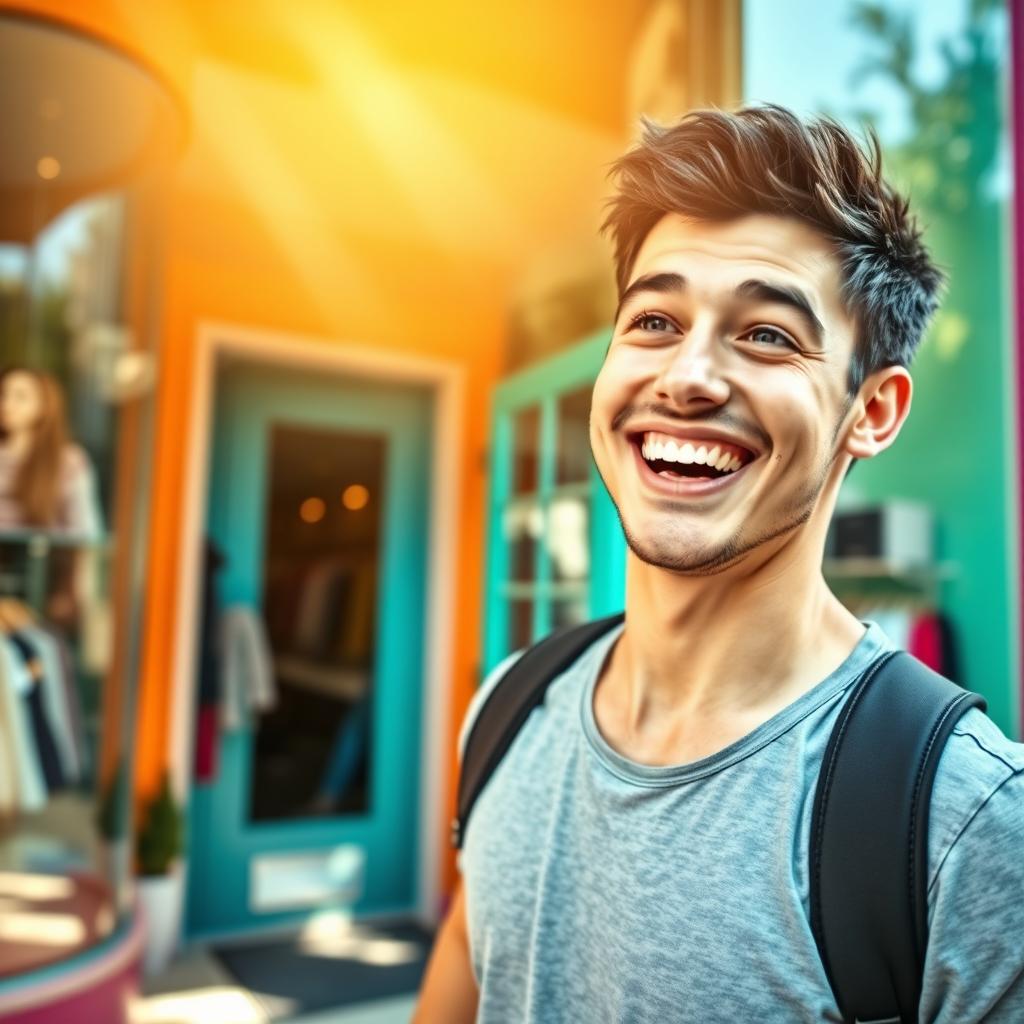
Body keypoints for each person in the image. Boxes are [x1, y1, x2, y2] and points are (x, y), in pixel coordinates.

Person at [413, 105, 1024, 1022]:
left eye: (767, 334)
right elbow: (473, 960)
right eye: (654, 320)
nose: (688, 376)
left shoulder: (965, 822)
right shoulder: (508, 711)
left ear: (874, 411)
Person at [0, 366, 103, 537]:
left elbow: (85, 531)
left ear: (45, 405)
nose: (6, 404)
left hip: (41, 560)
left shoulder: (68, 461)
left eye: (20, 397)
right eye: (3, 394)